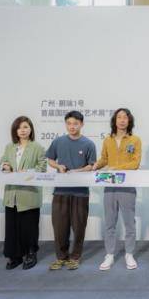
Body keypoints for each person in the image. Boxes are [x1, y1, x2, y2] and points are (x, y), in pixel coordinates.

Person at [46, 111, 96, 271]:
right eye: (69, 123)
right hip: (60, 192)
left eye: (75, 123)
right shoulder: (58, 141)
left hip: (80, 193)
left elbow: (91, 165)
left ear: (82, 124)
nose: (72, 126)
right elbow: (50, 160)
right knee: (60, 227)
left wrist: (78, 171)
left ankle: (75, 257)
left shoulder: (88, 144)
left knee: (79, 227)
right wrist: (58, 166)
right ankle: (61, 257)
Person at [93, 108, 141, 271]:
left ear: (129, 121)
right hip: (110, 186)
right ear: (114, 120)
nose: (122, 120)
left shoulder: (135, 140)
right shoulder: (108, 140)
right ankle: (109, 254)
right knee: (110, 222)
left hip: (127, 186)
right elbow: (104, 159)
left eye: (125, 117)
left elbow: (135, 163)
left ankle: (129, 254)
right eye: (119, 117)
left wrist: (116, 168)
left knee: (129, 222)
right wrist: (95, 165)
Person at [0, 116, 46, 270]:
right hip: (12, 194)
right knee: (12, 227)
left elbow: (42, 168)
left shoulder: (37, 147)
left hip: (29, 194)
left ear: (31, 129)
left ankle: (31, 253)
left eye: (25, 127)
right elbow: (2, 163)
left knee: (29, 227)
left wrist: (27, 172)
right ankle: (15, 256)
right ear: (15, 131)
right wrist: (5, 166)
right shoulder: (10, 147)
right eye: (19, 127)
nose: (22, 130)